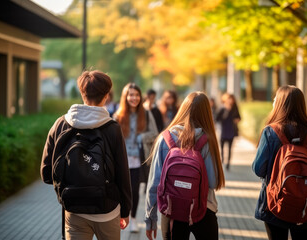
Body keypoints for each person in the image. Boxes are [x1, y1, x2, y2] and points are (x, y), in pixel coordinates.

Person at [40, 70, 132, 240]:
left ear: (82, 93)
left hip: (74, 209)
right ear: (106, 96)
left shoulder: (61, 124)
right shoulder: (112, 128)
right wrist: (126, 210)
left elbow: (46, 174)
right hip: (107, 209)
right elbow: (122, 173)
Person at [252, 85, 307, 240]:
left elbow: (259, 169)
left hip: (275, 203)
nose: (273, 101)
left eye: (275, 99)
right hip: (306, 207)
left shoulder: (270, 132)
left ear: (280, 103)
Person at [145, 91, 225, 240]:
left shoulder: (165, 138)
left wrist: (150, 218)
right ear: (207, 113)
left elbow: (154, 183)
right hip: (203, 209)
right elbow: (213, 182)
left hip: (172, 209)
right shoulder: (208, 141)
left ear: (183, 109)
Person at [113, 83, 158, 233]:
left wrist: (142, 137)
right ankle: (120, 216)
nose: (134, 98)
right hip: (121, 159)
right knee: (120, 189)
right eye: (131, 94)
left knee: (134, 190)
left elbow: (155, 133)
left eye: (137, 95)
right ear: (125, 97)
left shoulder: (145, 113)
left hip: (138, 158)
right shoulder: (118, 115)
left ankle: (133, 219)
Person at [216, 93, 241, 170]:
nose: (230, 101)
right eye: (229, 99)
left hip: (231, 130)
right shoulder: (222, 108)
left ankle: (228, 163)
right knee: (222, 147)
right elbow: (217, 118)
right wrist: (226, 111)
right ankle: (223, 160)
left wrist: (236, 120)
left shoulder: (235, 108)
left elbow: (239, 117)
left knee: (230, 148)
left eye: (231, 99)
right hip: (223, 130)